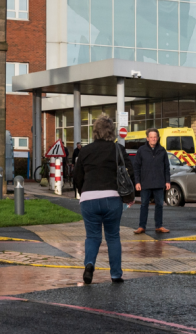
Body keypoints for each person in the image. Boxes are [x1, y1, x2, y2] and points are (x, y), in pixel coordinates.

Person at [73, 115, 133, 285]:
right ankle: (115, 275)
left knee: (92, 237)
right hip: (112, 198)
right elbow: (130, 171)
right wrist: (130, 194)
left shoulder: (85, 150)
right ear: (112, 132)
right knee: (113, 236)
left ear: (95, 131)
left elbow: (77, 176)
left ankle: (89, 264)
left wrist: (82, 193)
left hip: (88, 199)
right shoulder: (118, 149)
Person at [132, 128, 171, 235]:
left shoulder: (162, 150)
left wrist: (167, 181)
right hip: (145, 183)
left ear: (157, 138)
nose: (153, 139)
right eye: (151, 137)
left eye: (155, 137)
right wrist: (137, 182)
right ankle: (141, 226)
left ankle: (159, 226)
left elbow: (166, 167)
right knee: (144, 205)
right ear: (147, 138)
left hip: (159, 183)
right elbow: (136, 167)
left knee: (159, 204)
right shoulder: (141, 150)